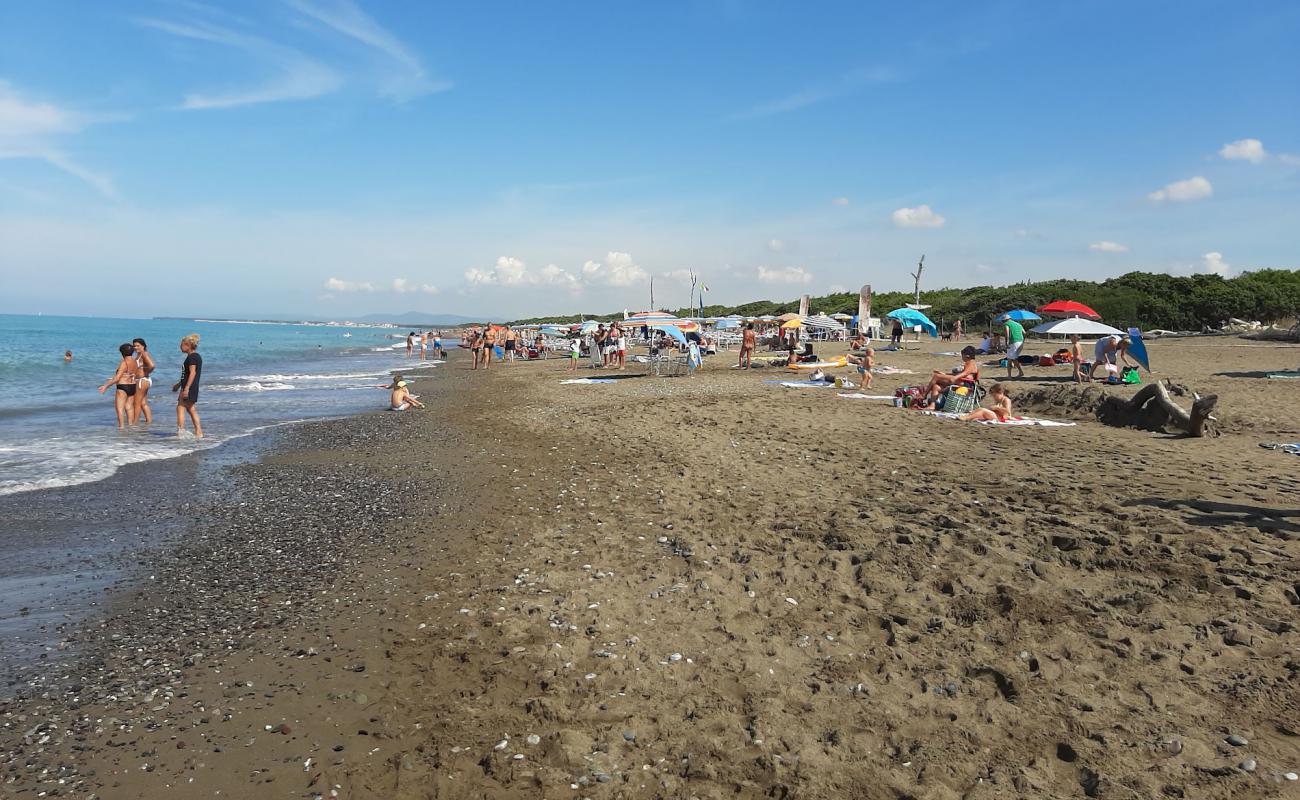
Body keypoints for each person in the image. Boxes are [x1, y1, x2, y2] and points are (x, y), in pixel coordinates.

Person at [98, 342, 141, 429]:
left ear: (122, 353)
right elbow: (131, 374)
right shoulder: (135, 362)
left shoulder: (124, 362)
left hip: (123, 386)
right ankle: (130, 426)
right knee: (129, 407)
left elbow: (117, 378)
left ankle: (121, 427)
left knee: (119, 408)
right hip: (132, 386)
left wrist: (105, 386)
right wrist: (112, 379)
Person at [172, 333, 203, 437]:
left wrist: (186, 389)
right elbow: (187, 374)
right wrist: (178, 384)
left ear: (188, 345)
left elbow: (193, 373)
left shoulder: (192, 358)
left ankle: (181, 431)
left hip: (189, 387)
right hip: (191, 386)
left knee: (180, 407)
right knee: (191, 408)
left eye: (181, 345)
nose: (180, 346)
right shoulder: (195, 356)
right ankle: (198, 432)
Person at [132, 338, 156, 424]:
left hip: (142, 381)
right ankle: (149, 421)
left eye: (138, 345)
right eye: (134, 346)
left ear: (143, 346)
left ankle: (134, 423)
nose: (135, 347)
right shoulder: (139, 355)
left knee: (136, 403)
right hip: (145, 380)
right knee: (143, 403)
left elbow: (152, 365)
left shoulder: (143, 354)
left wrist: (145, 372)